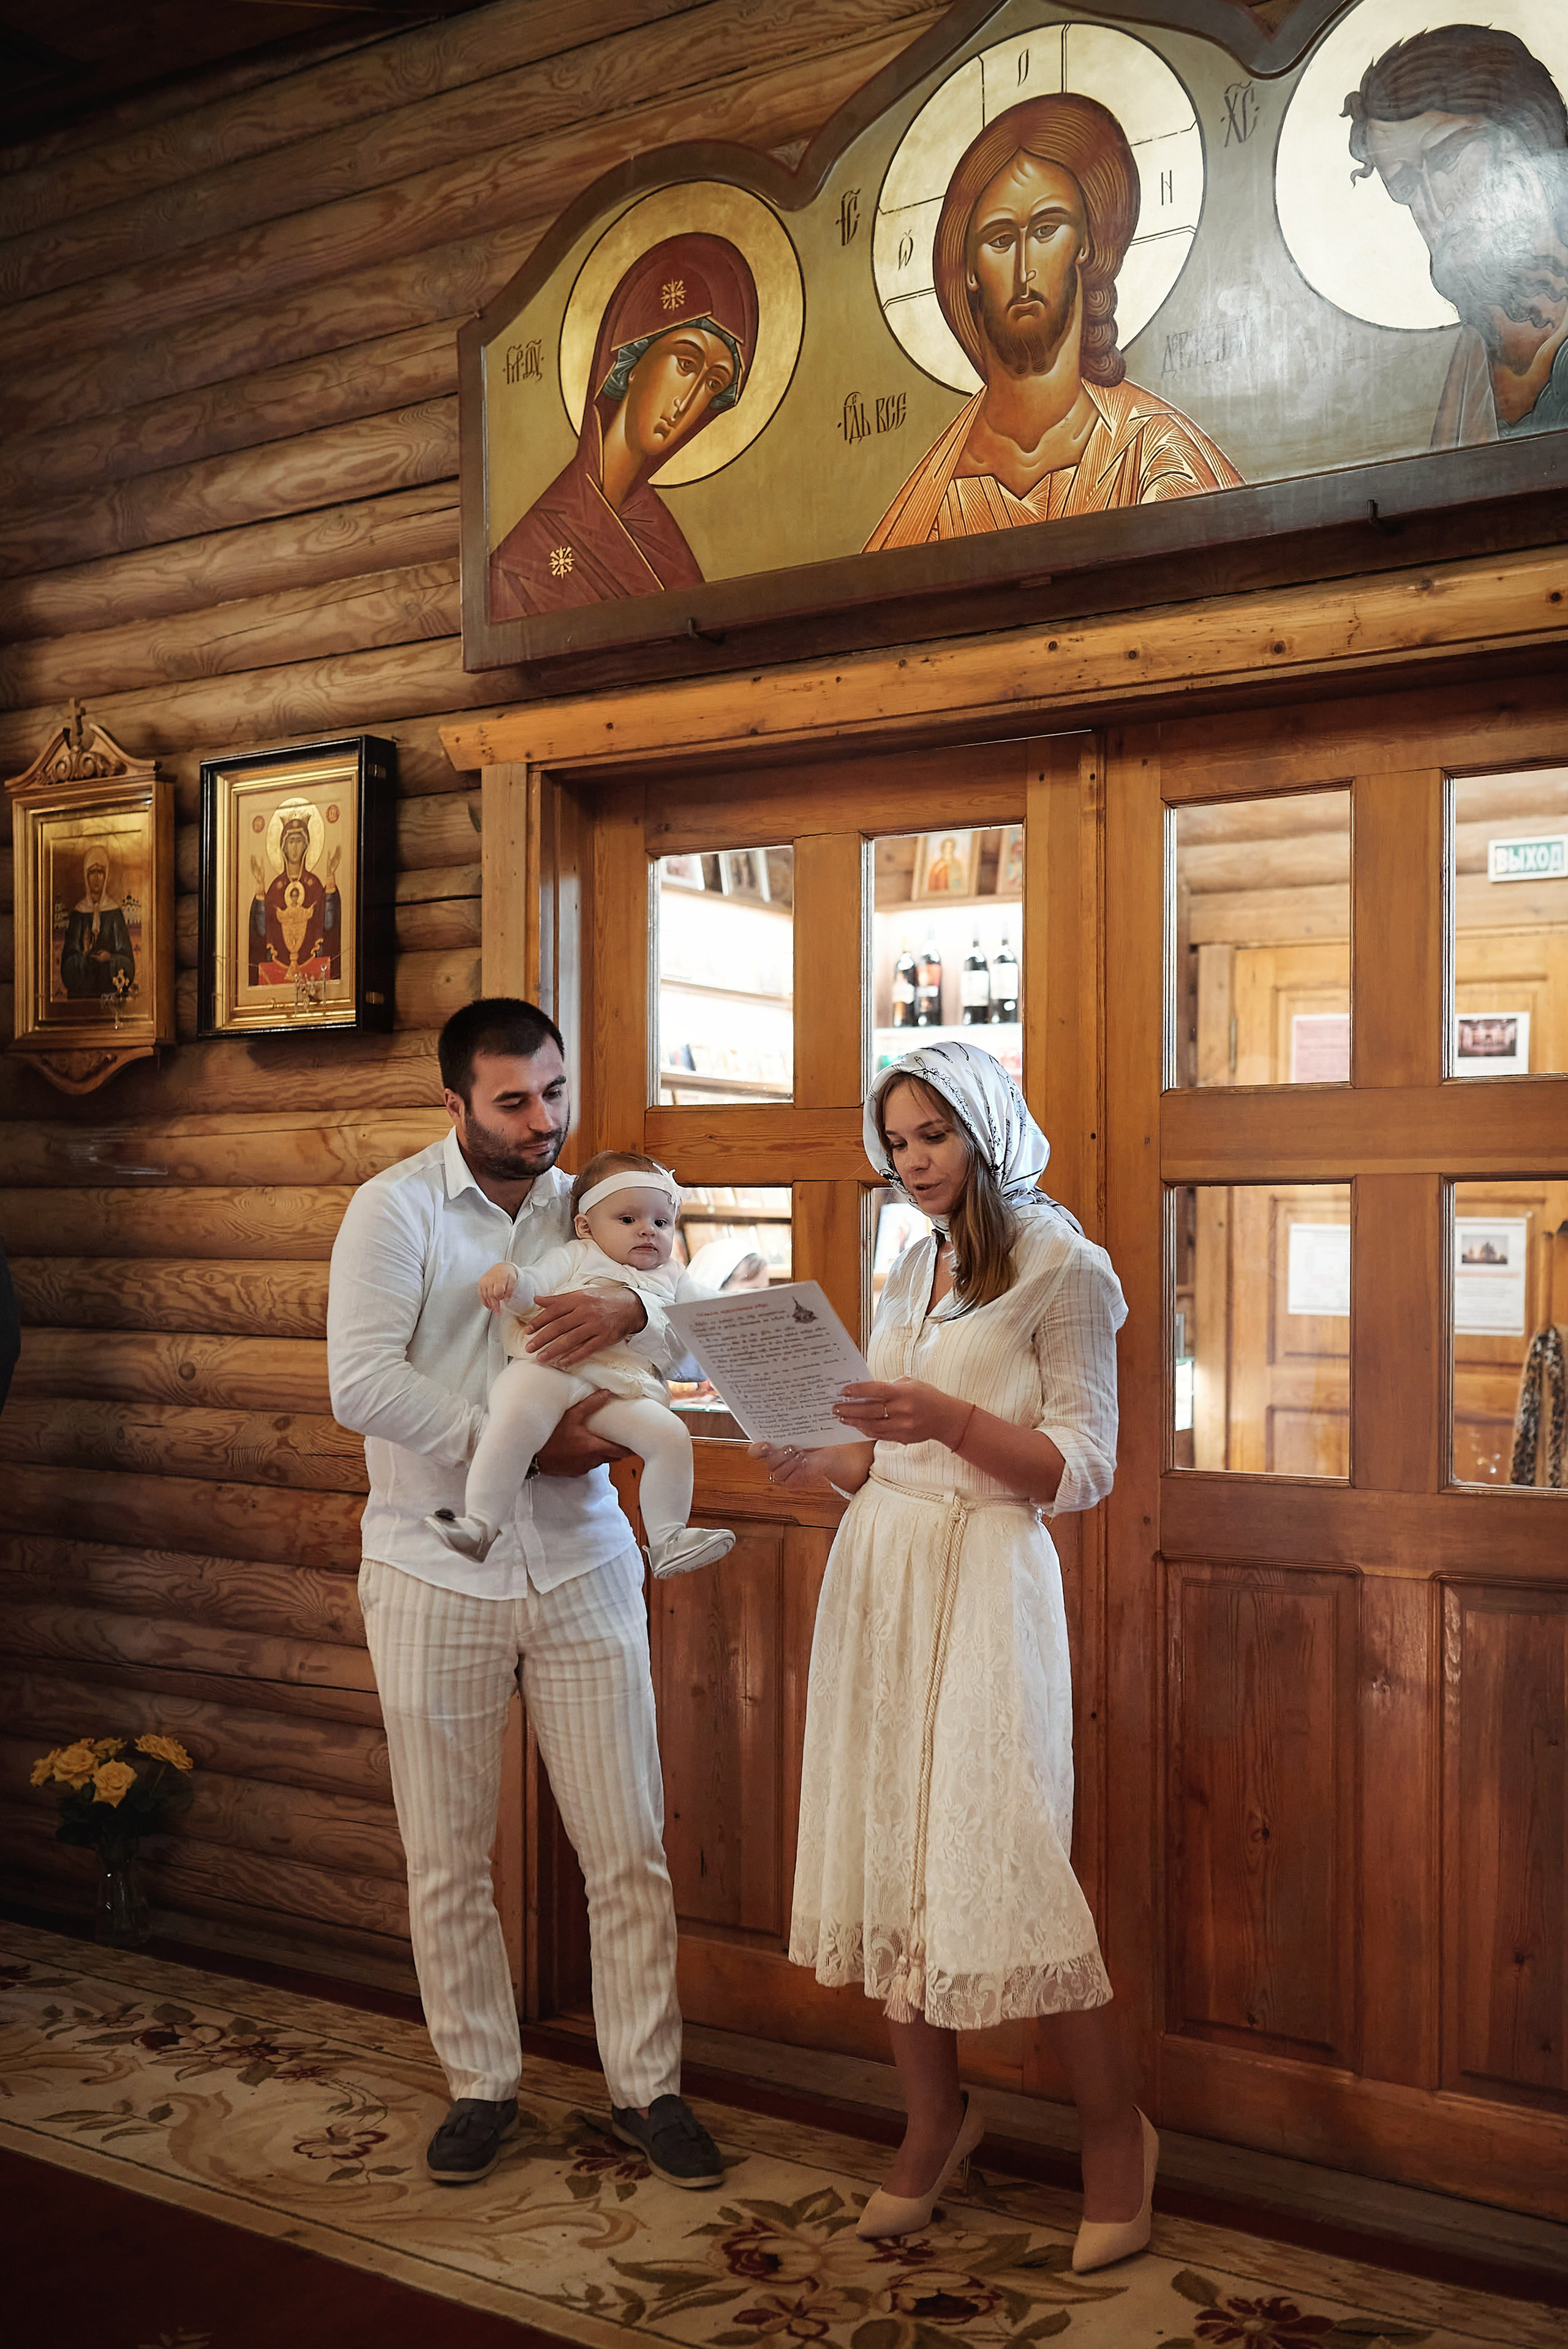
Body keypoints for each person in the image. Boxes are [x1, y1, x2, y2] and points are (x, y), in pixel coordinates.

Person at [754, 1039, 1154, 2271]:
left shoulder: (1064, 1266)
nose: (914, 1161)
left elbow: (1082, 1467)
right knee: (892, 1849)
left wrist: (951, 1417)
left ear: (986, 1129)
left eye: (933, 1135)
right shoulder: (910, 1258)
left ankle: (1115, 2134)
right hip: (882, 1566)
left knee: (1007, 1855)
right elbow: (884, 1451)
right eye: (896, 1142)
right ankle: (934, 2120)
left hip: (987, 1575)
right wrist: (821, 1460)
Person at [328, 997, 725, 2192]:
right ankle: (480, 2084)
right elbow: (359, 1383)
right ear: (455, 1102)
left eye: (554, 1092)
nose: (542, 1120)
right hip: (430, 1563)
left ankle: (647, 2086)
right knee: (448, 1854)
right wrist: (514, 1448)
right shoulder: (394, 1208)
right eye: (512, 1101)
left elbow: (696, 1330)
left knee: (629, 1846)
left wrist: (637, 1306)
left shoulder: (594, 1201)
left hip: (588, 1562)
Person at [867, 92, 1241, 551]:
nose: (1024, 268)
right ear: (969, 270)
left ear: (1085, 244)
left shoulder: (1155, 454)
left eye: (1046, 230)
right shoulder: (929, 504)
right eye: (1000, 239)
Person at [428, 1147, 736, 1578]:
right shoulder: (576, 1255)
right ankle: (479, 1522)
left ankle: (668, 1538)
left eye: (661, 1222)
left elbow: (712, 1319)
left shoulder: (673, 1276)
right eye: (628, 1219)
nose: (647, 1231)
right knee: (513, 1419)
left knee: (671, 1436)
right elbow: (535, 1287)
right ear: (586, 1226)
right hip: (548, 1369)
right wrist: (511, 1280)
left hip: (617, 1391)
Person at [489, 233, 758, 618]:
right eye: (685, 364)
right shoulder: (527, 555)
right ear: (633, 361)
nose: (687, 403)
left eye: (713, 384)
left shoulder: (667, 552)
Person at [1344, 25, 1568, 446]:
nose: (1435, 203)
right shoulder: (1469, 360)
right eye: (1406, 184)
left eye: (1448, 157)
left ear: (1521, 135)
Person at [250, 799, 340, 984]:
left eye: (299, 841)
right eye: (291, 841)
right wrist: (260, 887)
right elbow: (262, 930)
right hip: (277, 968)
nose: (295, 847)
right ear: (283, 846)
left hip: (314, 967)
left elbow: (329, 924)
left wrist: (330, 878)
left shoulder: (314, 885)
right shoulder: (275, 887)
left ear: (307, 845)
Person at [59, 840, 134, 1000]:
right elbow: (67, 968)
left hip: (110, 994)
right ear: (86, 876)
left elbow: (128, 962)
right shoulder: (79, 914)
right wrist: (84, 955)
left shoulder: (114, 913)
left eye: (100, 872)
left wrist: (110, 958)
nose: (96, 877)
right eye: (92, 872)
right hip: (82, 996)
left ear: (106, 876)